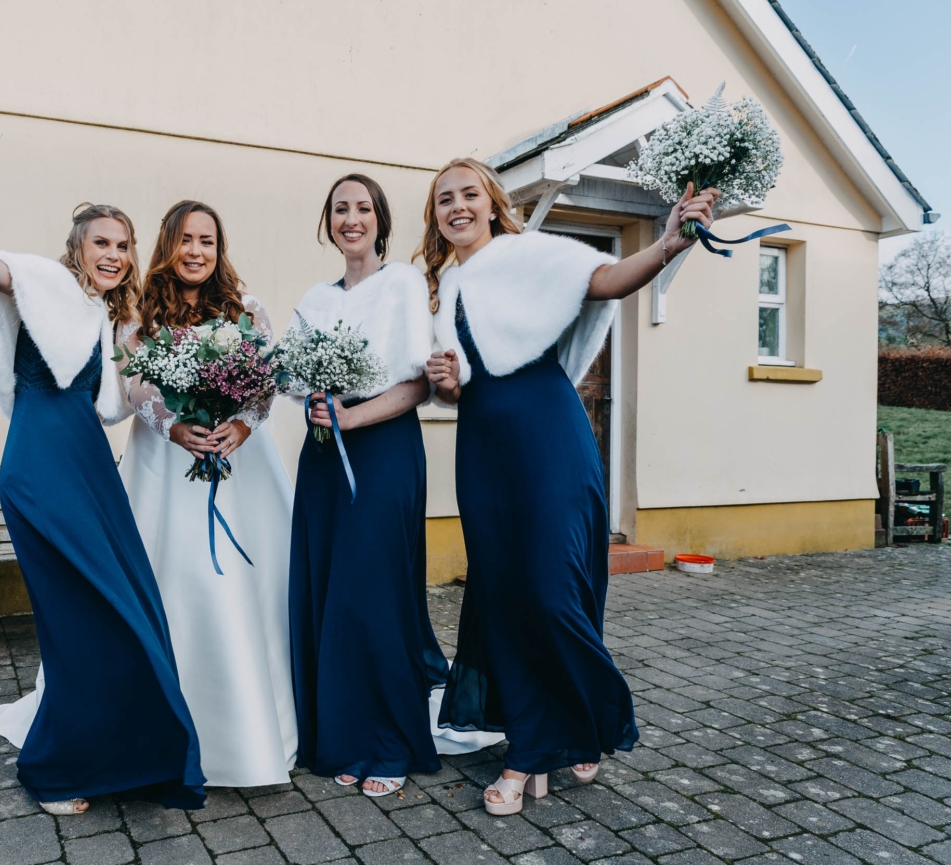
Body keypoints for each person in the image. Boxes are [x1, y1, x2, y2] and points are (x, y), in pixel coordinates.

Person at [0, 171, 205, 814]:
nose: (113, 255)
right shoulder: (46, 287)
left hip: (90, 472)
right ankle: (58, 770)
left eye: (123, 246)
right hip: (39, 471)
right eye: (101, 243)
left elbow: (126, 399)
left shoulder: (109, 321)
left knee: (129, 611)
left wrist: (192, 400)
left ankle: (129, 755)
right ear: (77, 248)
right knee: (76, 622)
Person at [423, 157, 718, 816]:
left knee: (553, 589)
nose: (457, 206)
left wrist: (668, 242)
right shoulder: (447, 284)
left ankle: (553, 736)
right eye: (445, 199)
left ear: (493, 203)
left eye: (469, 194)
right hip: (482, 448)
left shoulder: (530, 252)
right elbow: (464, 379)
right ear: (436, 217)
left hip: (547, 437)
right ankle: (544, 735)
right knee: (504, 595)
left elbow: (607, 279)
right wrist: (446, 382)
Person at [119, 200, 298, 788]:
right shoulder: (141, 313)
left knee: (246, 582)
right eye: (186, 239)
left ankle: (254, 725)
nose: (197, 251)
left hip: (239, 462)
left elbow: (266, 383)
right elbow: (131, 383)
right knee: (175, 577)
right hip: (166, 464)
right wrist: (173, 426)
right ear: (168, 244)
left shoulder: (246, 309)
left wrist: (241, 426)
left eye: (208, 241)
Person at [288, 174, 449, 798]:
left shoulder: (403, 282)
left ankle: (386, 740)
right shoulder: (315, 298)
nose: (350, 219)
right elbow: (296, 378)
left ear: (380, 219)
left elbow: (418, 384)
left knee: (372, 591)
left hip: (381, 449)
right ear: (328, 222)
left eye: (362, 208)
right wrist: (312, 403)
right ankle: (338, 736)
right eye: (339, 209)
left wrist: (352, 415)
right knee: (329, 586)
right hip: (325, 454)